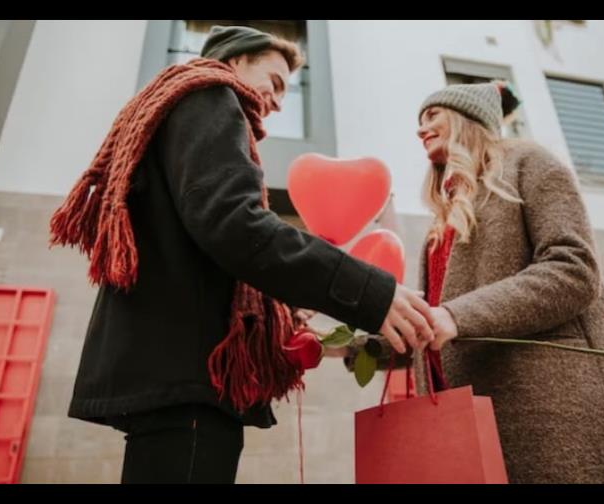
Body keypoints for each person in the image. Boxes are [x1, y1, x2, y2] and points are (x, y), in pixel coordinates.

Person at [49, 25, 434, 484]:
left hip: (175, 374)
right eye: (273, 83)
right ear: (234, 62)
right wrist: (371, 293)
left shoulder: (180, 107)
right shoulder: (211, 96)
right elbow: (236, 225)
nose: (277, 102)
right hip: (192, 378)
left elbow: (212, 244)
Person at [412, 82, 604, 483]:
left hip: (550, 411)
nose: (421, 130)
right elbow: (436, 318)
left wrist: (456, 315)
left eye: (432, 116)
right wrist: (361, 340)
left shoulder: (529, 162)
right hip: (467, 418)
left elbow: (573, 270)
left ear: (466, 117)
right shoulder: (443, 216)